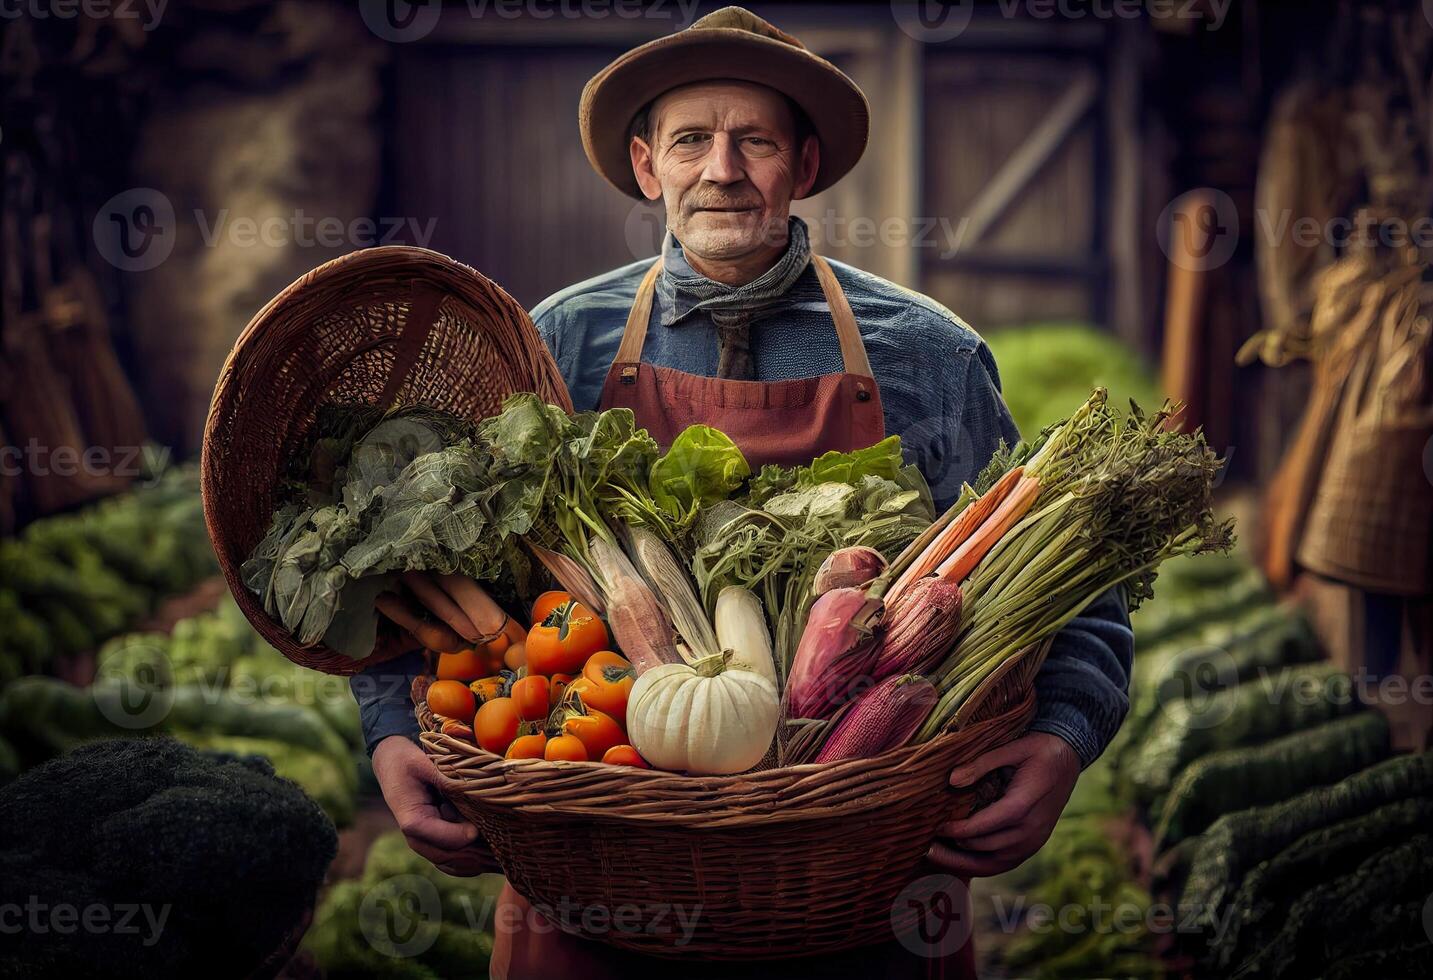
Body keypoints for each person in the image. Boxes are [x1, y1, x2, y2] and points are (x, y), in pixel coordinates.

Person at [353, 7, 1133, 978]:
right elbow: (419, 567)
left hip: (861, 886)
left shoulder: (925, 354)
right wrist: (391, 733)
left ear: (801, 167)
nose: (720, 168)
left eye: (753, 140)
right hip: (596, 868)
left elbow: (1076, 583)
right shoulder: (556, 343)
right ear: (648, 167)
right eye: (690, 139)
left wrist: (1063, 732)